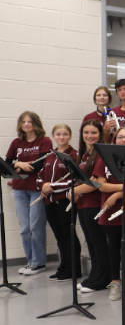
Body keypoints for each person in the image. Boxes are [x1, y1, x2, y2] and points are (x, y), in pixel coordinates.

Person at [93, 126, 125, 302]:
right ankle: (116, 283)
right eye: (120, 137)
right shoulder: (105, 158)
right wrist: (123, 188)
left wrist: (119, 194)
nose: (124, 140)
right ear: (115, 139)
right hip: (109, 208)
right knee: (113, 248)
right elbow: (101, 185)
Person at [7, 111, 52, 275]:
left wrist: (22, 165)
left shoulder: (45, 141)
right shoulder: (16, 142)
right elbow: (7, 165)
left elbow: (41, 165)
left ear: (36, 123)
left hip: (37, 190)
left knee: (36, 226)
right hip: (19, 189)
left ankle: (39, 263)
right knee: (24, 228)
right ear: (20, 125)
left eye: (30, 121)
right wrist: (19, 163)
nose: (27, 124)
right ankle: (30, 261)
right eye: (24, 121)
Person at [37, 124, 80, 282]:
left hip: (64, 200)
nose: (62, 137)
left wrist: (51, 186)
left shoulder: (74, 155)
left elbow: (74, 180)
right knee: (59, 236)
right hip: (49, 201)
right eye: (58, 134)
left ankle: (73, 269)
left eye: (65, 134)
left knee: (68, 235)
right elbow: (40, 175)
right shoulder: (50, 155)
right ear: (53, 136)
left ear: (70, 136)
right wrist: (42, 185)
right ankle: (63, 265)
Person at [72, 120, 110, 293]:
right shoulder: (85, 153)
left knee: (99, 243)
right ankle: (95, 275)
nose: (89, 136)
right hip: (83, 203)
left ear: (100, 134)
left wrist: (76, 190)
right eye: (86, 132)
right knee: (92, 243)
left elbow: (95, 182)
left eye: (94, 132)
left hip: (94, 203)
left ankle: (101, 279)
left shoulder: (101, 153)